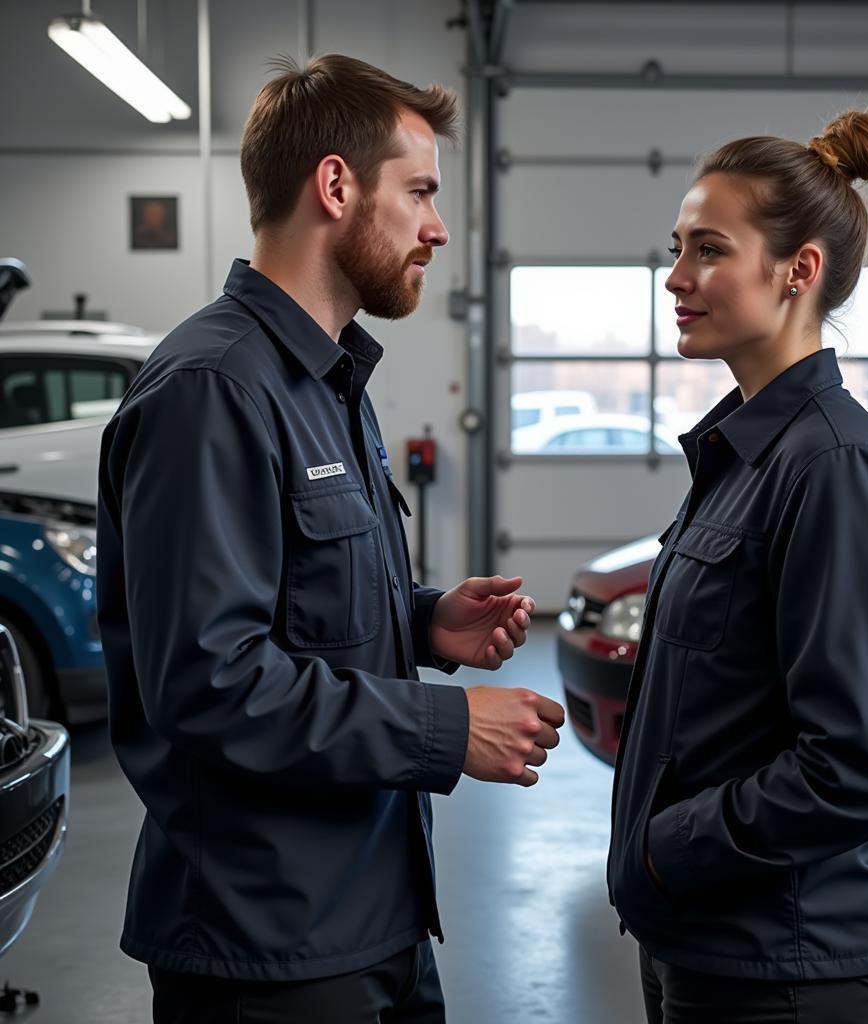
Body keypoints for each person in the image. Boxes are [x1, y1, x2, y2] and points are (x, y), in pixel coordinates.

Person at [96, 54, 564, 1024]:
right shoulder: (211, 390)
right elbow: (209, 683)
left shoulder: (325, 382)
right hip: (264, 953)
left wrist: (425, 619)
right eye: (421, 192)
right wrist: (447, 729)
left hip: (371, 920)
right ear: (337, 185)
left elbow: (292, 606)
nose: (438, 227)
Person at [606, 111, 868, 1023]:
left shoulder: (833, 470)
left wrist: (664, 847)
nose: (676, 278)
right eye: (677, 249)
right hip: (706, 941)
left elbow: (859, 767)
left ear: (800, 270)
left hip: (790, 971)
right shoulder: (753, 456)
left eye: (708, 250)